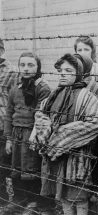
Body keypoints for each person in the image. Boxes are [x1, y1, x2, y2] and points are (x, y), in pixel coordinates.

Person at [29, 53, 98, 215]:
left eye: (68, 70)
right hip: (55, 157)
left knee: (78, 197)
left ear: (78, 73)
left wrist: (62, 137)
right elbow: (41, 114)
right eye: (61, 70)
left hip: (77, 157)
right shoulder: (53, 96)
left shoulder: (87, 97)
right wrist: (45, 132)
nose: (63, 73)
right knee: (62, 196)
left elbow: (95, 123)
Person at [3, 52, 51, 214]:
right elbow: (9, 114)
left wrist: (35, 137)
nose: (26, 69)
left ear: (38, 67)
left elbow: (42, 114)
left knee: (32, 167)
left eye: (30, 65)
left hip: (33, 135)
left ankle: (35, 202)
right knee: (17, 167)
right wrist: (9, 138)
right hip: (17, 134)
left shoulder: (42, 88)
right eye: (22, 65)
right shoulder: (15, 89)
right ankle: (19, 199)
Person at [0, 38, 18, 207]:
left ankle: (7, 200)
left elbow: (16, 100)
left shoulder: (12, 72)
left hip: (3, 125)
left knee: (5, 165)